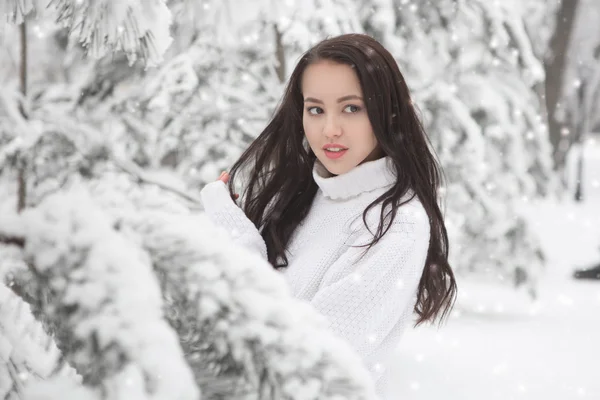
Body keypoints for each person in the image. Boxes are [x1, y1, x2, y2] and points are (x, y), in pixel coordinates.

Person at [200, 33, 457, 398]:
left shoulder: (397, 224)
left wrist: (233, 237)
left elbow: (304, 362)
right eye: (316, 109)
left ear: (387, 112)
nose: (329, 129)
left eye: (352, 108)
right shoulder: (303, 197)